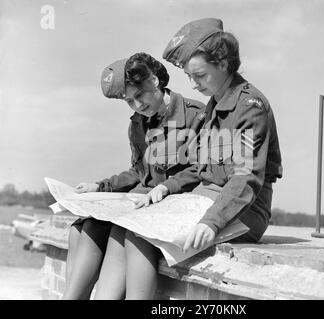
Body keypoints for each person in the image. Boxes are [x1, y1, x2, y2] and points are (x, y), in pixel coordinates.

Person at [62, 52, 205, 299]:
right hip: (144, 202)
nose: (137, 105)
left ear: (154, 80)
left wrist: (167, 186)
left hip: (175, 203)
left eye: (139, 95)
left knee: (122, 232)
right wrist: (100, 186)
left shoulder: (196, 115)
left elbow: (202, 169)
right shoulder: (138, 123)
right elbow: (139, 171)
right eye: (129, 101)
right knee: (83, 227)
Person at [157, 17, 283, 253]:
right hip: (207, 199)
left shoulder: (249, 107)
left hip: (244, 211)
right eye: (189, 77)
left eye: (200, 75)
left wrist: (212, 221)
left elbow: (245, 176)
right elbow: (202, 165)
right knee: (127, 233)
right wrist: (167, 186)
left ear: (223, 64)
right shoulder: (215, 104)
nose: (193, 85)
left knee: (151, 240)